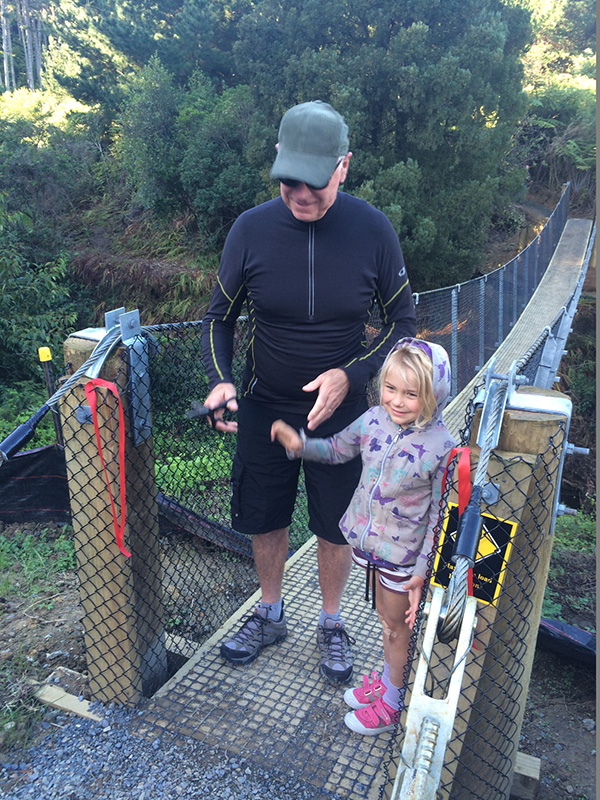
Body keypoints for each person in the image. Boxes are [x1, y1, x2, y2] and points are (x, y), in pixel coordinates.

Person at [201, 100, 417, 684]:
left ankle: (331, 622)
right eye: (288, 180)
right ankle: (269, 613)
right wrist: (222, 380)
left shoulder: (372, 229)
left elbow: (404, 322)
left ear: (343, 167)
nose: (300, 194)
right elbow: (219, 317)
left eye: (315, 183)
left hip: (344, 412)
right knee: (265, 515)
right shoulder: (250, 229)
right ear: (277, 161)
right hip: (265, 404)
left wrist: (353, 372)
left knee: (334, 521)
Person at [271, 338, 456, 734]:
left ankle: (393, 703)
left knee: (395, 628)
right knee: (384, 622)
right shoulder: (373, 420)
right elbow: (338, 449)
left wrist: (423, 570)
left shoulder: (442, 447)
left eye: (412, 393)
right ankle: (391, 682)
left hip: (404, 558)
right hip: (370, 546)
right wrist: (301, 445)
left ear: (435, 394)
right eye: (391, 389)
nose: (398, 401)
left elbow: (442, 515)